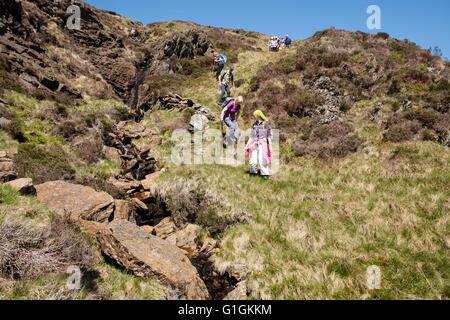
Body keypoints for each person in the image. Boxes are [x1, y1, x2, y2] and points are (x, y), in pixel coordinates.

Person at [245, 110, 272, 180]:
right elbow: (251, 136)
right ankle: (253, 172)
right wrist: (247, 145)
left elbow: (268, 136)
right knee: (253, 160)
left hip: (262, 144)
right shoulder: (254, 124)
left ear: (258, 115)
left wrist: (270, 146)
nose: (253, 116)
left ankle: (265, 174)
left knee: (262, 160)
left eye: (254, 115)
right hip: (254, 143)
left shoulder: (265, 124)